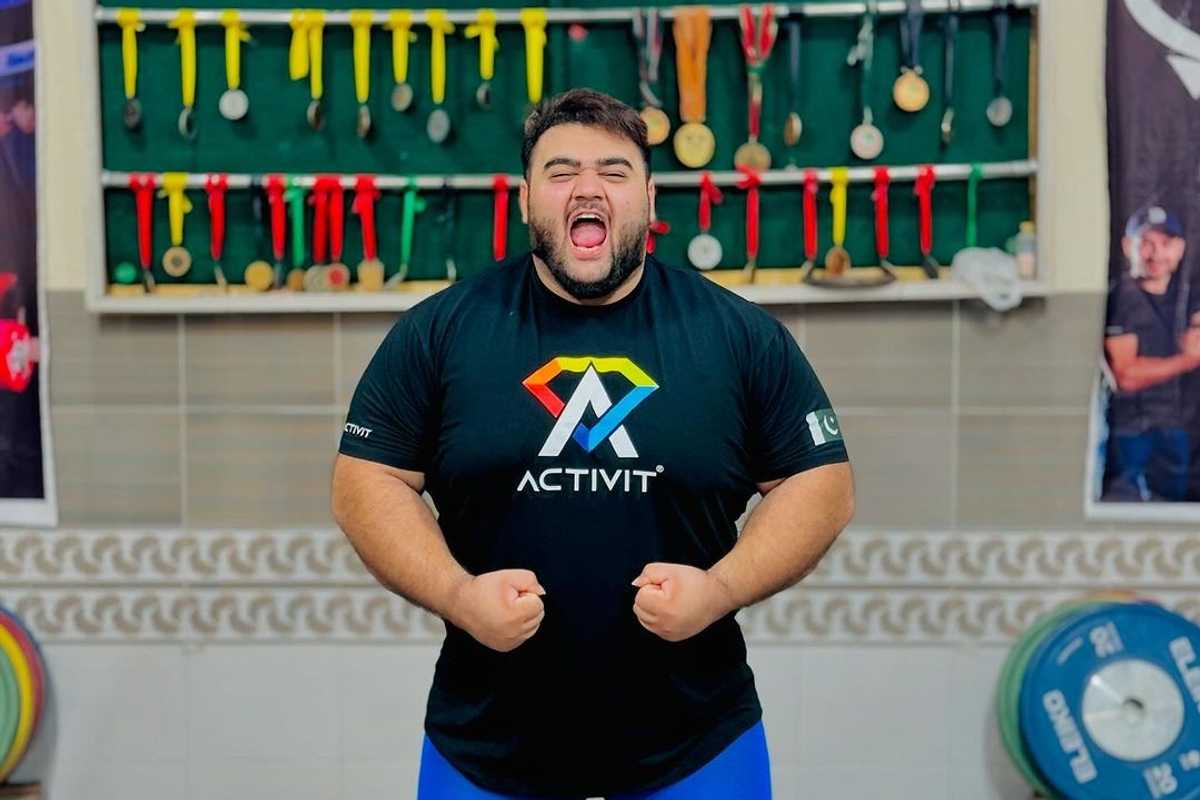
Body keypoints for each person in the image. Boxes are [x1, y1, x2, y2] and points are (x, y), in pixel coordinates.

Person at [331, 88, 855, 799]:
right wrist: (458, 594)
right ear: (525, 200)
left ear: (649, 198)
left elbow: (820, 483)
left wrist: (721, 589)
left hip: (697, 747)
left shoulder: (737, 334)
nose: (588, 188)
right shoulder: (441, 331)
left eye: (614, 171)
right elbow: (365, 480)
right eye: (560, 172)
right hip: (486, 749)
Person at [1103, 205, 1200, 501]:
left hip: (1177, 432)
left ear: (1180, 248)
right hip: (1133, 435)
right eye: (1146, 242)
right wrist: (1187, 360)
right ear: (1127, 246)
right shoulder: (1122, 298)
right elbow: (1126, 375)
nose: (1156, 254)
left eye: (1166, 243)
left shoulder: (1185, 297)